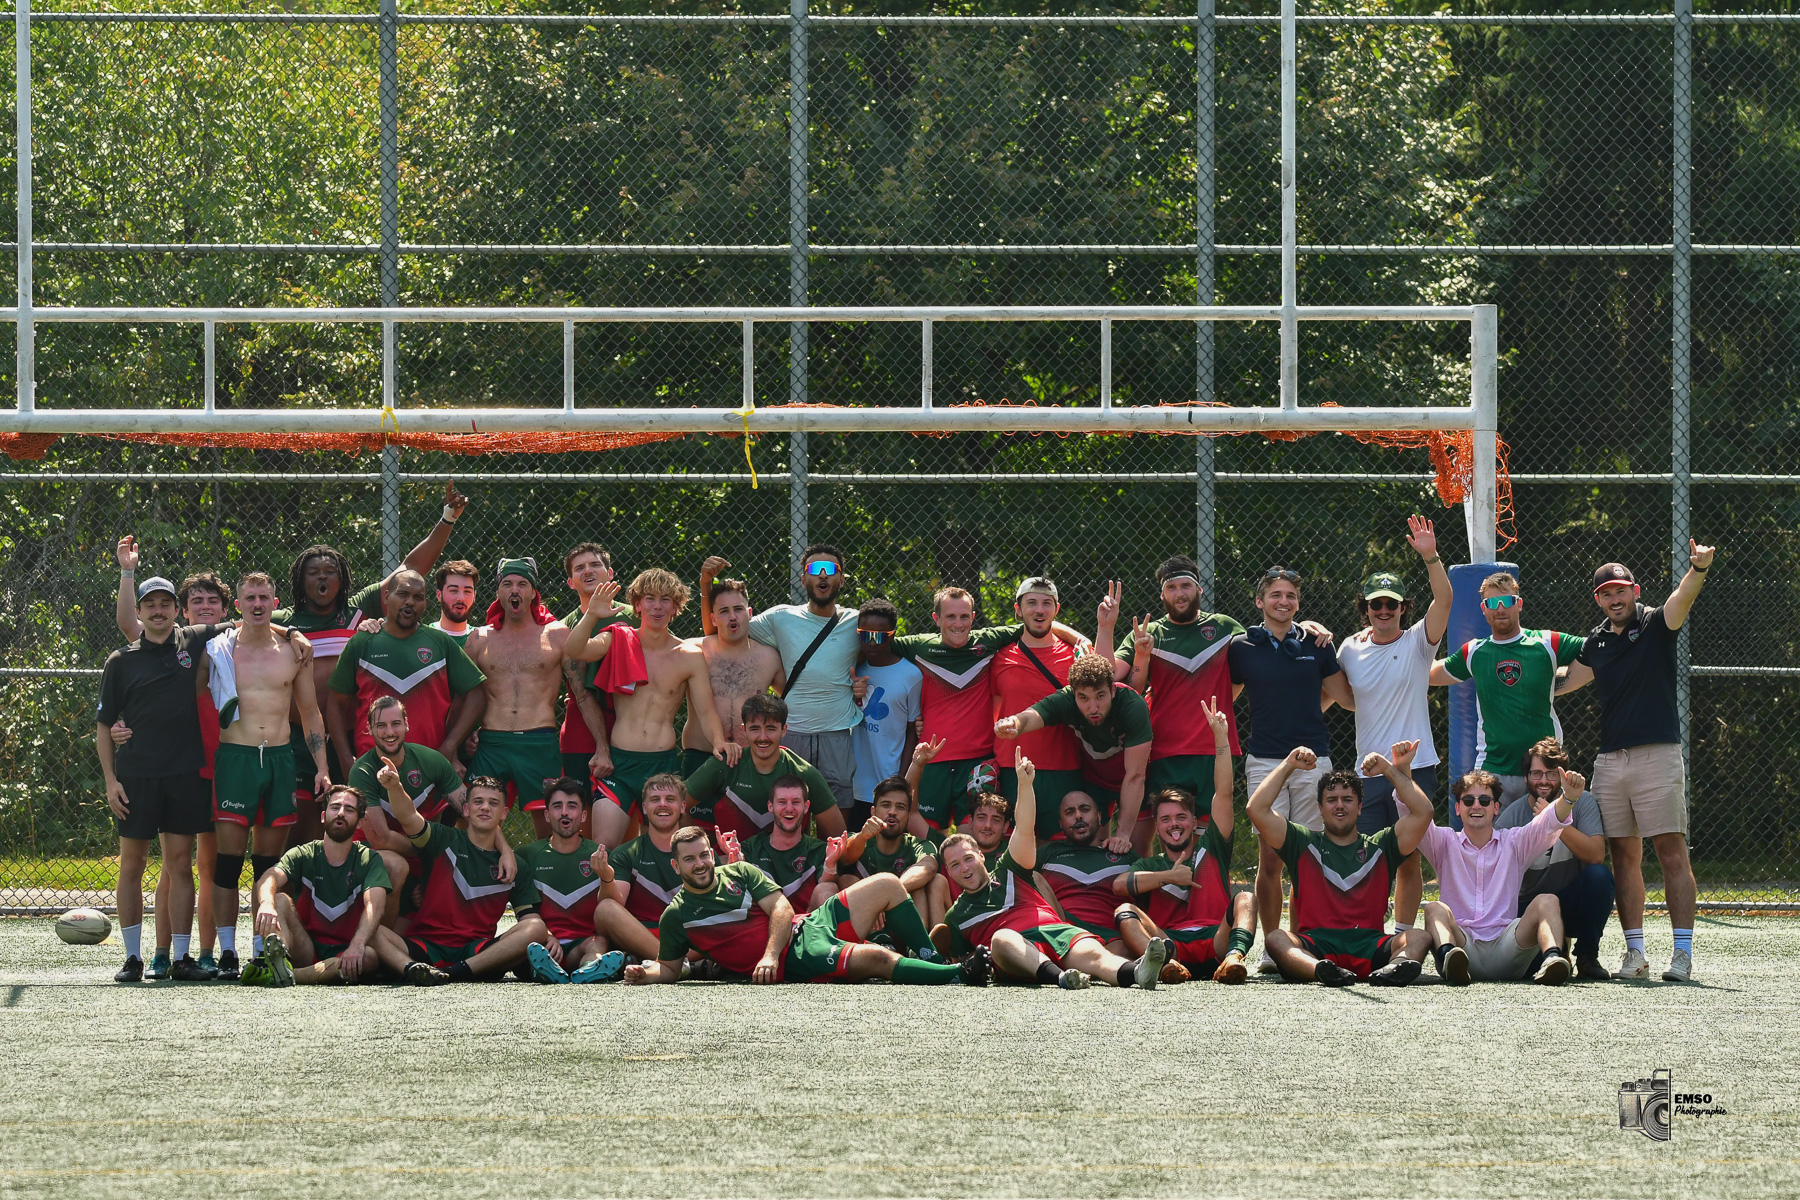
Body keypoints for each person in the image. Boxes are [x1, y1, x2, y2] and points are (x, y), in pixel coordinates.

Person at [275, 480, 468, 839]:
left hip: (351, 737)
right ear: (300, 580)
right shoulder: (286, 621)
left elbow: (411, 570)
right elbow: (245, 624)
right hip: (301, 738)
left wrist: (446, 519)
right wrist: (285, 632)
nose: (321, 577)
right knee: (302, 829)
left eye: (329, 572)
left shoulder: (358, 612)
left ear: (342, 579)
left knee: (352, 825)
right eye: (313, 572)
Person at [1558, 543, 1714, 982]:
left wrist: (1698, 568)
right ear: (1598, 600)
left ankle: (1681, 955)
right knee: (1624, 856)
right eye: (1607, 593)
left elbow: (1682, 597)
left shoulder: (1656, 623)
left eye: (1621, 590)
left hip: (1657, 756)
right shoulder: (1597, 641)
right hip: (1610, 762)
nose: (1615, 598)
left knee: (1670, 852)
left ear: (1635, 591)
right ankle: (1635, 955)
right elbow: (1567, 681)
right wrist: (1514, 676)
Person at [622, 828, 983, 986]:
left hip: (806, 926)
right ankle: (957, 975)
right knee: (877, 958)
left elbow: (780, 908)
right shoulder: (677, 915)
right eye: (690, 860)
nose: (701, 864)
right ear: (676, 867)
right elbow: (669, 968)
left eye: (704, 855)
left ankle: (932, 961)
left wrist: (767, 954)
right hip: (797, 958)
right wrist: (645, 974)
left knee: (887, 883)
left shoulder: (740, 872)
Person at [937, 753, 1169, 991]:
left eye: (968, 858)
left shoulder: (1008, 870)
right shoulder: (956, 917)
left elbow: (1025, 829)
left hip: (1055, 932)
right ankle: (1061, 977)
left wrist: (1025, 785)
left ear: (981, 857)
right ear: (948, 871)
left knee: (1094, 955)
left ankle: (1137, 973)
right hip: (1016, 955)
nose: (964, 867)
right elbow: (961, 963)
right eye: (955, 865)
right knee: (1002, 938)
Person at [96, 574, 230, 982]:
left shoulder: (192, 641)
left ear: (177, 610)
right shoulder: (121, 661)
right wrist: (110, 781)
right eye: (149, 605)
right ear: (139, 612)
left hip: (185, 776)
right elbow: (103, 727)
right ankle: (133, 958)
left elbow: (252, 618)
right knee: (132, 866)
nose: (158, 611)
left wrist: (293, 628)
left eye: (165, 604)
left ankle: (181, 958)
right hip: (137, 778)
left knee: (179, 866)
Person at [208, 571, 334, 981]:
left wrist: (322, 769)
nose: (258, 604)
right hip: (236, 758)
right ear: (239, 603)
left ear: (274, 600)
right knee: (227, 863)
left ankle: (262, 948)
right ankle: (226, 951)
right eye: (250, 597)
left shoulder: (294, 650)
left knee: (267, 864)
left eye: (265, 597)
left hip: (279, 758)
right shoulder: (220, 648)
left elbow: (311, 712)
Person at [1334, 516, 1452, 933]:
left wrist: (1430, 556)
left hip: (1413, 769)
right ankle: (1364, 933)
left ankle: (1402, 938)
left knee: (1408, 854)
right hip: (1367, 771)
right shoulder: (1348, 648)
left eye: (1392, 604)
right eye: (1375, 604)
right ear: (1365, 608)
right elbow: (1339, 696)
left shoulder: (1419, 641)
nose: (1384, 610)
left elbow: (1445, 600)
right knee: (1363, 853)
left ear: (1404, 608)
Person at [1228, 566, 1346, 971]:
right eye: (1275, 595)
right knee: (1272, 858)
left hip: (1315, 760)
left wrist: (1309, 713)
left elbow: (1344, 697)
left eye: (1291, 596)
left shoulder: (1317, 642)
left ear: (1298, 602)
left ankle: (1303, 944)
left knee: (1308, 859)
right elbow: (1227, 697)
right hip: (1264, 761)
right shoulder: (1241, 647)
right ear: (1260, 602)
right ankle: (1272, 948)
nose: (1284, 602)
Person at [565, 567, 736, 846]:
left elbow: (705, 710)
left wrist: (718, 742)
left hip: (662, 765)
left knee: (666, 849)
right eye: (650, 598)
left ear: (675, 606)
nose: (657, 606)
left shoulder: (689, 655)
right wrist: (592, 613)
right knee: (603, 847)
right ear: (637, 604)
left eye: (666, 599)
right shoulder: (618, 639)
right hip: (619, 764)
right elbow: (574, 650)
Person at [894, 584, 1085, 833]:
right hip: (933, 759)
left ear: (973, 618)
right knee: (925, 838)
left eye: (964, 617)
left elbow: (1037, 623)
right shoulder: (917, 646)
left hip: (977, 762)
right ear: (936, 618)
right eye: (950, 616)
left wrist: (1080, 639)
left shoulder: (988, 642)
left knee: (973, 841)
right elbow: (876, 650)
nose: (958, 624)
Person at [1247, 743, 1433, 987]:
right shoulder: (1301, 842)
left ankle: (1393, 969)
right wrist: (1289, 764)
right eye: (1331, 800)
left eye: (1347, 799)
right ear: (1320, 809)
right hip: (1315, 948)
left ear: (1360, 807)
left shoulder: (1382, 845)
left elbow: (1424, 811)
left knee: (1419, 936)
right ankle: (1321, 971)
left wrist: (1388, 769)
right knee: (1276, 939)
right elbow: (1256, 808)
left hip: (1370, 945)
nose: (1339, 805)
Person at [461, 561, 616, 838]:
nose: (514, 590)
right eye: (507, 584)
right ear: (498, 592)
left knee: (553, 831)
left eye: (522, 584)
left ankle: (546, 880)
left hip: (539, 741)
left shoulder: (557, 635)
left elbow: (581, 694)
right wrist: (460, 741)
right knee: (473, 826)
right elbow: (463, 696)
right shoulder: (479, 639)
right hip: (491, 743)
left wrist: (602, 747)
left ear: (533, 592)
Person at [1113, 699, 1257, 984]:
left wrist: (1220, 738)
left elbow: (1224, 793)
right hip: (1171, 946)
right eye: (1165, 819)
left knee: (1246, 898)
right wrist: (1169, 876)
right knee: (1124, 912)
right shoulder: (1150, 863)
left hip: (1216, 939)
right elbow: (1119, 887)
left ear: (1194, 822)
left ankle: (1234, 958)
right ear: (1157, 826)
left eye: (1181, 817)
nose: (1174, 824)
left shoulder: (1212, 846)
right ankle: (1162, 965)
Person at [1099, 556, 1247, 810]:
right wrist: (1106, 626)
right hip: (1163, 751)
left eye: (1185, 586)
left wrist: (1306, 628)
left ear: (1199, 589)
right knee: (1171, 832)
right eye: (1171, 588)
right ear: (1162, 595)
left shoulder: (1225, 627)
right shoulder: (1149, 632)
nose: (1179, 594)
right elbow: (1106, 676)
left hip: (1217, 750)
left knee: (1213, 837)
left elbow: (1249, 670)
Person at [1430, 572, 1585, 808]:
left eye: (1508, 601)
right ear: (1484, 609)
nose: (1500, 608)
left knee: (1548, 841)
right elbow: (1429, 674)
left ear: (1519, 604)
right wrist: (1389, 644)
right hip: (1493, 767)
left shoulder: (1547, 643)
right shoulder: (1473, 652)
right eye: (1493, 603)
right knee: (1487, 841)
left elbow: (1597, 648)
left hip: (1543, 769)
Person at [381, 770, 549, 984]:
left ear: (504, 812)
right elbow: (408, 816)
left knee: (536, 928)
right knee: (371, 930)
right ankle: (412, 969)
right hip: (425, 945)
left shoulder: (515, 865)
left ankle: (456, 973)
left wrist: (547, 936)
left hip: (476, 950)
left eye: (493, 803)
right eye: (478, 802)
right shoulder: (442, 839)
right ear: (467, 809)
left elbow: (530, 921)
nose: (485, 807)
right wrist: (395, 787)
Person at [1417, 767, 1581, 986]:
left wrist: (1568, 797)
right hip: (1461, 945)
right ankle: (1449, 957)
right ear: (1458, 808)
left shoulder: (1514, 842)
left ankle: (1553, 959)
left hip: (1507, 946)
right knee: (1433, 908)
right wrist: (1401, 772)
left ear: (1495, 808)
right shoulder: (1443, 841)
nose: (1476, 805)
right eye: (1468, 800)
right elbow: (1417, 815)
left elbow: (1547, 823)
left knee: (1547, 900)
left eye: (1484, 800)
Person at [248, 785, 414, 986]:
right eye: (335, 807)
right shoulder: (303, 853)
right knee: (279, 899)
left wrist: (357, 945)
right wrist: (266, 903)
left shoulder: (369, 859)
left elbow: (375, 907)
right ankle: (279, 960)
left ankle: (287, 974)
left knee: (369, 956)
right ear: (323, 816)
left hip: (350, 948)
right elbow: (269, 876)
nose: (341, 813)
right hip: (307, 947)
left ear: (360, 823)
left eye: (349, 810)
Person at [327, 569, 486, 773]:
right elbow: (335, 704)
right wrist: (346, 760)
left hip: (429, 769)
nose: (410, 602)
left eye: (418, 597)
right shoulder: (362, 642)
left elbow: (478, 694)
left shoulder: (440, 642)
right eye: (402, 594)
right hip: (373, 768)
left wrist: (450, 745)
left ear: (426, 603)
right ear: (386, 597)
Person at [746, 544, 863, 815]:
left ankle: (832, 859)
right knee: (785, 813)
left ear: (841, 579)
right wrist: (707, 588)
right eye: (814, 569)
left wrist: (863, 685)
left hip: (837, 733)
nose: (823, 576)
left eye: (830, 569)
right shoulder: (781, 617)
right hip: (791, 733)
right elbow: (727, 631)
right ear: (803, 579)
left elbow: (883, 655)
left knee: (836, 817)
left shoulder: (857, 622)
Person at [993, 653, 1151, 848]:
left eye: (1100, 696)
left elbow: (1136, 775)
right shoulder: (1066, 700)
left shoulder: (1132, 706)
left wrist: (1123, 834)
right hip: (1095, 780)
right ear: (1073, 693)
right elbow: (1032, 715)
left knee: (1135, 847)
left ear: (1112, 690)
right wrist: (1013, 723)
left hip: (1134, 778)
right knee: (1095, 847)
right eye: (1083, 698)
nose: (1093, 707)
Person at [1495, 738, 1615, 980]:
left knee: (1600, 877)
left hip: (1571, 898)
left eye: (1551, 774)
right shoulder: (1512, 816)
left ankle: (1587, 955)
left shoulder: (1583, 802)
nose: (1543, 781)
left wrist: (1554, 820)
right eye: (1536, 773)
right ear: (1526, 777)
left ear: (1562, 776)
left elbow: (1595, 855)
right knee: (1534, 970)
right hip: (1529, 907)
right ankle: (1557, 948)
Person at [1017, 762, 1146, 958]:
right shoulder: (1048, 853)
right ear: (1061, 824)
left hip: (1114, 938)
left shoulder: (1123, 854)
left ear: (1099, 816)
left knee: (1120, 954)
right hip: (1066, 938)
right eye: (1070, 812)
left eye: (1084, 809)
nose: (1078, 816)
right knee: (1030, 875)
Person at [683, 694, 846, 842]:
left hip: (789, 868)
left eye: (770, 729)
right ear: (744, 729)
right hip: (733, 866)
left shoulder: (803, 773)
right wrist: (707, 853)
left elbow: (839, 836)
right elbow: (676, 808)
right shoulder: (724, 765)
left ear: (784, 730)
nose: (763, 737)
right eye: (754, 729)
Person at [988, 578, 1085, 826]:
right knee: (1014, 851)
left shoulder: (1079, 655)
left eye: (1046, 603)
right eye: (1031, 603)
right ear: (1018, 609)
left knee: (1060, 851)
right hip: (1012, 768)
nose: (1039, 610)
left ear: (1057, 609)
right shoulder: (999, 656)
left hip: (1065, 767)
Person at [518, 779, 630, 985]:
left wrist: (606, 876)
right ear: (546, 814)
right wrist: (547, 935)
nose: (564, 812)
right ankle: (543, 968)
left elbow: (615, 906)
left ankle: (590, 968)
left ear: (584, 815)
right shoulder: (527, 855)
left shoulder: (601, 854)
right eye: (557, 806)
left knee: (599, 943)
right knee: (531, 946)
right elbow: (522, 909)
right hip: (544, 942)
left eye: (572, 806)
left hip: (583, 944)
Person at [685, 563, 786, 783]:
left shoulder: (770, 658)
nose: (732, 617)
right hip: (699, 754)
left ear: (749, 613)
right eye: (724, 611)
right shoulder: (693, 651)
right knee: (691, 819)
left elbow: (795, 697)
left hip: (750, 757)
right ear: (713, 619)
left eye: (738, 609)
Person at [591, 772, 691, 964]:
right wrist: (606, 878)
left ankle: (666, 962)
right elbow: (613, 908)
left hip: (686, 935)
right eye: (655, 799)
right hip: (640, 935)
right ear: (644, 808)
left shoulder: (700, 850)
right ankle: (675, 963)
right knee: (604, 909)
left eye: (670, 799)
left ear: (683, 807)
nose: (662, 804)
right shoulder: (626, 852)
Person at [557, 542, 632, 789]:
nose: (587, 571)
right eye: (579, 568)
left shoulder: (638, 615)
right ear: (571, 581)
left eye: (595, 565)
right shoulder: (563, 628)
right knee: (583, 812)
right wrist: (602, 746)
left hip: (634, 728)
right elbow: (580, 691)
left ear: (610, 574)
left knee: (632, 810)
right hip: (583, 734)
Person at [849, 597, 921, 829]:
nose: (871, 642)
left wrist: (901, 780)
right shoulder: (851, 668)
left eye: (879, 636)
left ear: (892, 634)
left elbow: (912, 731)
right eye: (865, 635)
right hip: (853, 783)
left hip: (889, 782)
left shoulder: (911, 675)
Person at [836, 773, 944, 925]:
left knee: (920, 888)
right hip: (868, 924)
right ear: (873, 812)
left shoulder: (920, 845)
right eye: (886, 805)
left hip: (903, 923)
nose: (892, 811)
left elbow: (929, 866)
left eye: (900, 807)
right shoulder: (859, 840)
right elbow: (845, 857)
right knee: (848, 880)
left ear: (908, 815)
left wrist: (886, 895)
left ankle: (920, 948)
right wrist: (862, 836)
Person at [737, 777, 845, 913]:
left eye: (796, 802)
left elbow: (826, 884)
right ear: (771, 806)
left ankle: (823, 934)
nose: (789, 808)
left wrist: (830, 864)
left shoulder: (818, 849)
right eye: (782, 802)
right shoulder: (751, 847)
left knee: (828, 888)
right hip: (763, 926)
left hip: (807, 926)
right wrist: (735, 863)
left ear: (806, 807)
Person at [430, 560, 481, 647]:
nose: (461, 598)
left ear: (474, 596)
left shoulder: (482, 641)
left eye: (467, 591)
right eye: (453, 590)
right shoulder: (425, 637)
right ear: (439, 595)